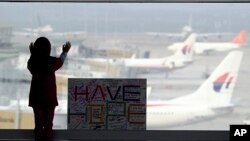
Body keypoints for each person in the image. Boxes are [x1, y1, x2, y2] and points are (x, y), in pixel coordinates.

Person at [27, 37, 71, 141]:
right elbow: (61, 61)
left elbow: (30, 65)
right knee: (48, 125)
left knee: (38, 124)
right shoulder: (52, 62)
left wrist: (33, 54)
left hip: (36, 100)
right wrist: (65, 51)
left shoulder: (33, 63)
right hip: (50, 100)